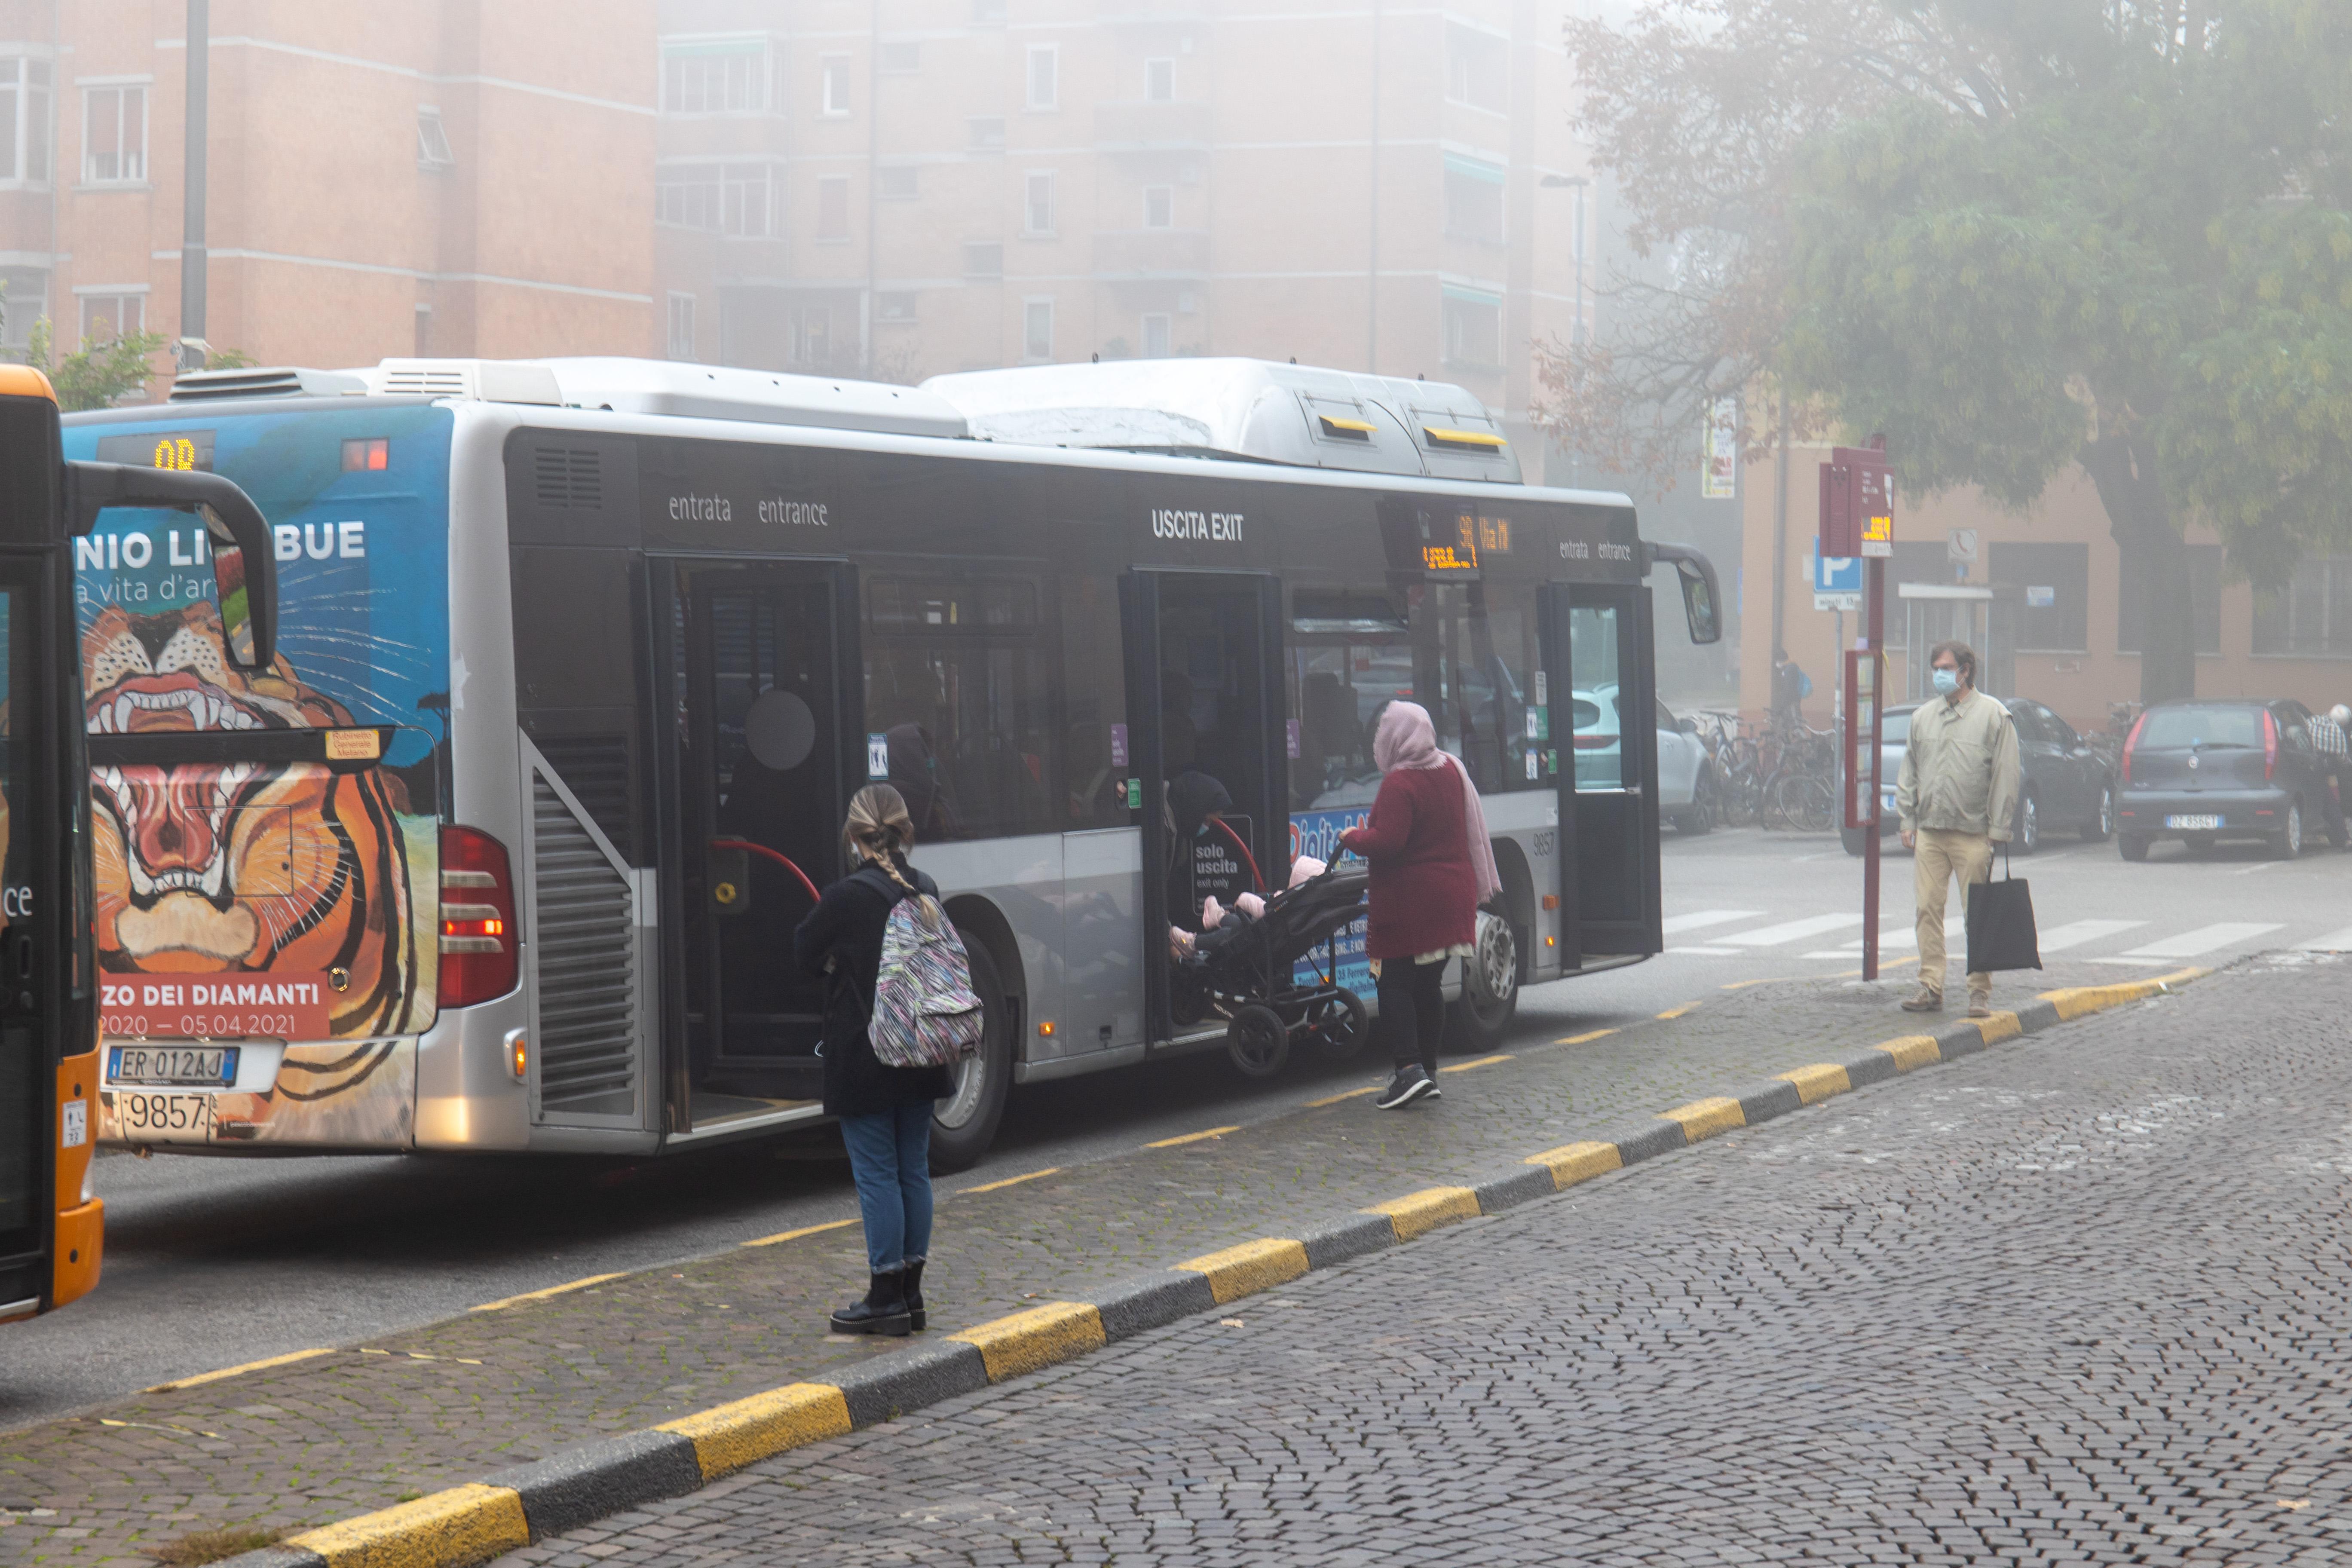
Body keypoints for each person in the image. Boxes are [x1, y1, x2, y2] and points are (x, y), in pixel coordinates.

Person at [794, 784, 959, 1337]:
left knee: (877, 1175)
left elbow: (803, 953)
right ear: (905, 831)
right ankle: (911, 1294)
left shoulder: (845, 897)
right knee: (913, 1168)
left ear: (853, 835)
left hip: (866, 1056)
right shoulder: (927, 889)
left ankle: (883, 1294)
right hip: (922, 1049)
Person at [1338, 701, 1502, 1110]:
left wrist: (1352, 837)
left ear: (1395, 738)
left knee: (1392, 982)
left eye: (1383, 732)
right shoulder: (1451, 769)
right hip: (1453, 900)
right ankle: (1427, 1070)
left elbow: (1389, 843)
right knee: (1428, 986)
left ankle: (1409, 1070)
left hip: (1413, 904)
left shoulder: (1400, 784)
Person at [1893, 640, 2021, 1020]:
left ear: (1965, 671)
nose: (1939, 675)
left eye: (1946, 668)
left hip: (1973, 832)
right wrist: (1907, 818)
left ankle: (1979, 991)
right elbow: (1910, 770)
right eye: (1935, 668)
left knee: (1977, 914)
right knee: (1927, 909)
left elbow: (2006, 774)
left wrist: (1999, 826)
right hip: (1931, 831)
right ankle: (1930, 986)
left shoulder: (1994, 716)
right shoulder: (1923, 717)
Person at [2310, 704, 2350, 849]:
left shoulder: (2313, 722)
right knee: (2333, 803)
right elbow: (2342, 758)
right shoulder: (2337, 732)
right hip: (2328, 774)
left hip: (2308, 770)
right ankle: (2342, 838)